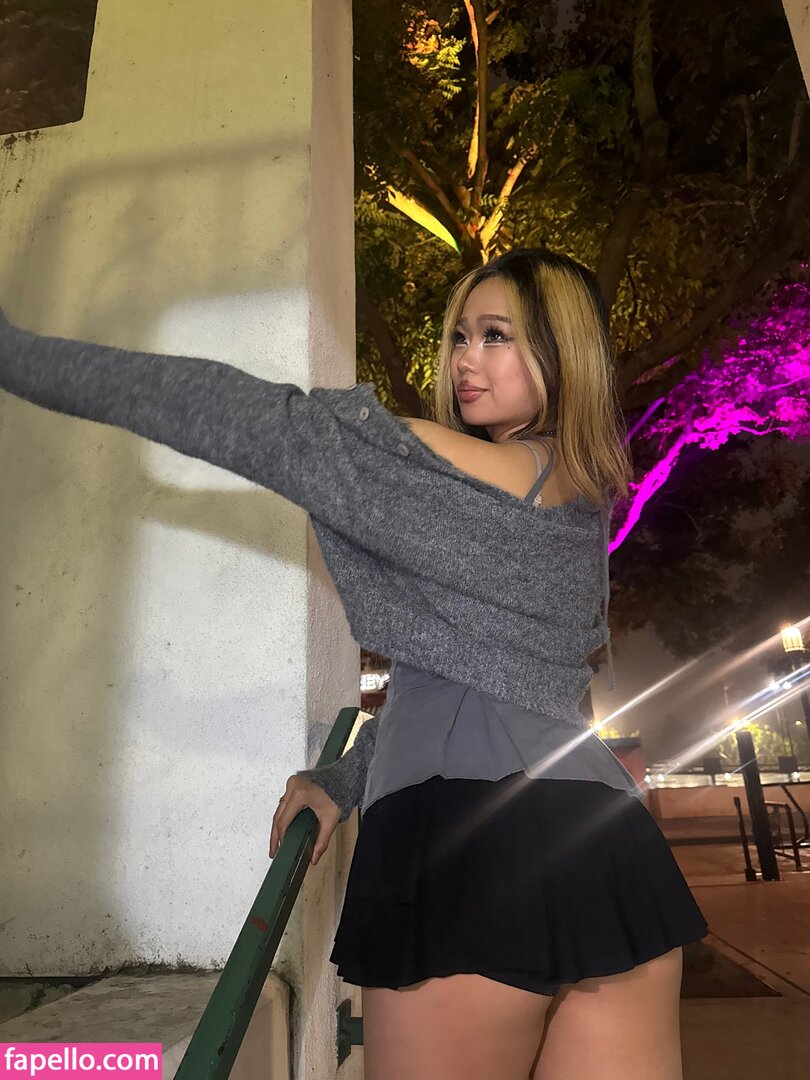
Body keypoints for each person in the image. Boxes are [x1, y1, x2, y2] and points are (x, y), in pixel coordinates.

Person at [0, 248, 709, 1080]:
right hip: (608, 850)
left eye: (496, 336)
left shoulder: (444, 474)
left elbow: (252, 418)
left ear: (564, 353)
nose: (465, 359)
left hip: (469, 853)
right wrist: (345, 778)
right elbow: (494, 694)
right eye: (460, 337)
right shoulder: (581, 497)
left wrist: (22, 358)